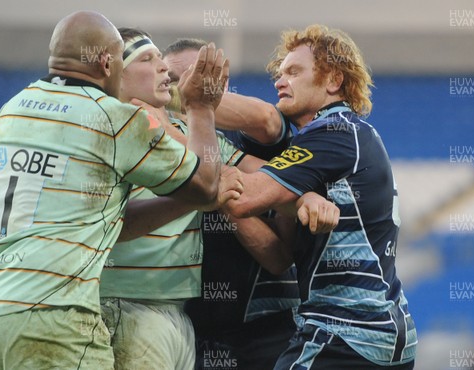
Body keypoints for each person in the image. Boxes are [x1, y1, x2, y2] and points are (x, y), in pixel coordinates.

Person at [0, 11, 232, 369]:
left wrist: (181, 201)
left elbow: (107, 217)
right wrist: (201, 108)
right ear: (107, 63)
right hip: (49, 319)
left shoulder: (14, 110)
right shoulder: (114, 119)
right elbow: (206, 184)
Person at [99, 29, 337, 370]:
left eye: (199, 77)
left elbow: (267, 136)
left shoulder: (222, 136)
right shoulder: (114, 125)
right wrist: (209, 184)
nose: (174, 80)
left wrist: (304, 198)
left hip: (253, 327)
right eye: (156, 65)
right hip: (135, 307)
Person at [223, 24, 417, 368]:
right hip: (382, 329)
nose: (280, 81)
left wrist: (196, 133)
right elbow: (282, 252)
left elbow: (242, 197)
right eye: (280, 74)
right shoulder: (347, 135)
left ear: (333, 81)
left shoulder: (333, 131)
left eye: (294, 71)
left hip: (346, 331)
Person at [163, 38, 303, 370]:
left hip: (266, 328)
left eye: (197, 79)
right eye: (171, 81)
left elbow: (269, 119)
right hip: (191, 330)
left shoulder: (249, 136)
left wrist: (216, 189)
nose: (184, 89)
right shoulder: (154, 142)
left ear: (223, 84)